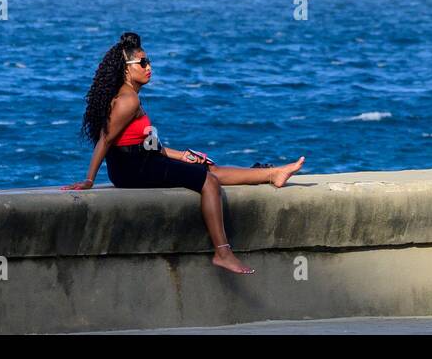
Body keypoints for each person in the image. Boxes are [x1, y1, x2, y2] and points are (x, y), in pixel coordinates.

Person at [60, 31, 304, 275]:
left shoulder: (132, 96)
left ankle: (273, 174)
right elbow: (105, 139)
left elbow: (148, 144)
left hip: (141, 160)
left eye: (149, 61)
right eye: (142, 63)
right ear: (126, 68)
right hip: (132, 169)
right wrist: (89, 180)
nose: (149, 67)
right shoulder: (128, 100)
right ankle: (223, 252)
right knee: (208, 181)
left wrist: (183, 156)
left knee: (209, 168)